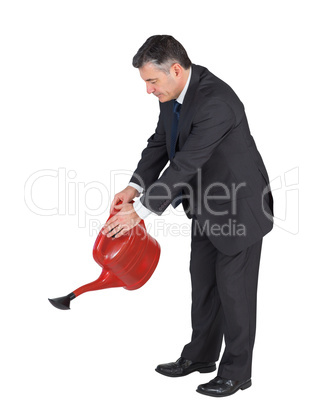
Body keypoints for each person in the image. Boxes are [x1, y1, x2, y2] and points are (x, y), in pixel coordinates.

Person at [102, 35, 274, 398]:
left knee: (235, 294)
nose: (148, 91)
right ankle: (200, 356)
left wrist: (142, 212)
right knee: (204, 287)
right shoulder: (174, 95)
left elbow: (186, 162)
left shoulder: (217, 102)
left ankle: (237, 372)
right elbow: (161, 143)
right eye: (146, 82)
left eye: (152, 81)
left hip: (239, 207)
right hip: (205, 206)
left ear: (176, 69)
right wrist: (134, 188)